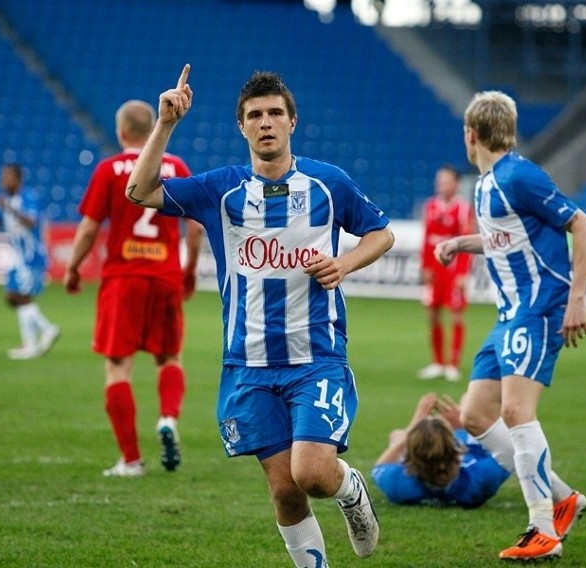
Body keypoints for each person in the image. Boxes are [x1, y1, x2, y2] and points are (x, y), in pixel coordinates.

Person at [125, 65, 394, 565]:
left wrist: (344, 263)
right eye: (255, 115)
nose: (265, 122)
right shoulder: (220, 191)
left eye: (275, 113)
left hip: (316, 356)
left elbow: (381, 233)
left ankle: (351, 491)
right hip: (248, 364)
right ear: (242, 127)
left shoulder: (328, 184)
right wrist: (165, 125)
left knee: (313, 474)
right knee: (284, 489)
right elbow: (140, 192)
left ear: (293, 122)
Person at [434, 90, 586, 562]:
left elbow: (584, 227)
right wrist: (463, 243)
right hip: (508, 315)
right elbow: (506, 238)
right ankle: (564, 498)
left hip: (539, 308)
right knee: (475, 414)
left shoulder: (520, 175)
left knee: (516, 412)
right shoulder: (486, 185)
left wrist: (576, 299)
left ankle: (542, 528)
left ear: (471, 134)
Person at [63, 100, 203, 478]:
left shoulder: (109, 169)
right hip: (166, 276)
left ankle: (131, 460)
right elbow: (194, 227)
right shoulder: (177, 167)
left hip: (123, 279)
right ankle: (168, 419)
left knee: (118, 369)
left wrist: (73, 268)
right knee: (169, 359)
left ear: (122, 131)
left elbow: (90, 227)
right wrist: (189, 270)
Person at [0, 164, 60, 360]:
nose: (3, 181)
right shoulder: (9, 200)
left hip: (32, 255)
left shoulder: (28, 197)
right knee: (15, 297)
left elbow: (31, 222)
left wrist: (9, 208)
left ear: (17, 179)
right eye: (3, 178)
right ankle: (40, 336)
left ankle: (38, 338)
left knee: (17, 296)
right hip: (18, 258)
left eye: (7, 177)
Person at [372, 391, 511, 508]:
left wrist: (411, 429)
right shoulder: (478, 479)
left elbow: (380, 466)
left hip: (431, 451)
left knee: (396, 435)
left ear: (411, 452)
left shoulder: (398, 484)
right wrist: (469, 424)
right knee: (470, 398)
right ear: (455, 447)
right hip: (474, 444)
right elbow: (512, 447)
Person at [417, 165, 475, 382]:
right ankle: (438, 362)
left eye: (446, 181)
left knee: (456, 314)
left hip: (453, 270)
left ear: (456, 183)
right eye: (439, 180)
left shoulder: (463, 209)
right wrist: (425, 266)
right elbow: (426, 238)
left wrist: (462, 273)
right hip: (435, 270)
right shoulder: (430, 206)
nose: (441, 185)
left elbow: (467, 244)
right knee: (432, 315)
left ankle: (454, 364)